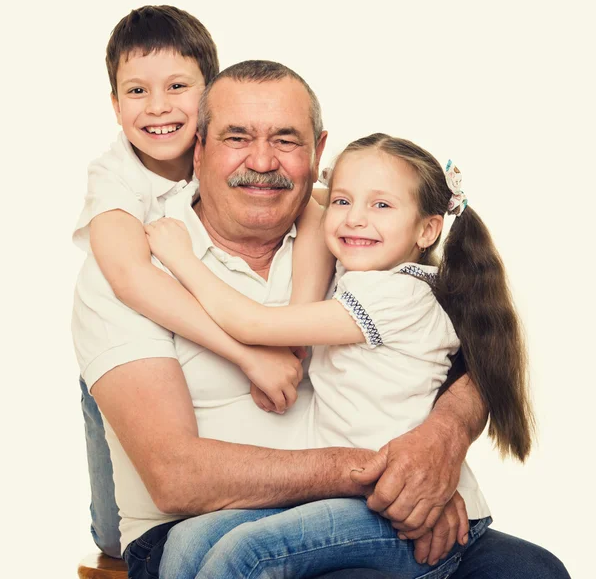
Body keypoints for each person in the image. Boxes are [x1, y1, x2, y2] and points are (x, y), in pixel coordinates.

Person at [74, 54, 570, 579]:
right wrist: (383, 476)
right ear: (198, 149)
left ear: (318, 154)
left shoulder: (353, 241)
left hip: (371, 507)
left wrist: (439, 444)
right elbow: (176, 477)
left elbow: (474, 348)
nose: (262, 162)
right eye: (236, 138)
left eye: (286, 141)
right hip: (204, 520)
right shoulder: (135, 262)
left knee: (532, 570)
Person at [142, 133, 531, 578]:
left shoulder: (395, 294)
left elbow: (252, 325)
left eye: (382, 206)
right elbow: (309, 201)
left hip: (407, 511)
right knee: (189, 541)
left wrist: (179, 257)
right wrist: (336, 192)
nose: (355, 220)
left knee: (246, 554)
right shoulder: (361, 271)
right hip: (352, 500)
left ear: (428, 229)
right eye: (344, 201)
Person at [74, 5, 333, 558]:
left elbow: (314, 209)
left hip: (313, 510)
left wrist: (294, 334)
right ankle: (110, 536)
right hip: (131, 339)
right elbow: (127, 276)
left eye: (177, 87)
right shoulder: (118, 183)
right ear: (114, 104)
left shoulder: (280, 183)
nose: (159, 107)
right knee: (114, 503)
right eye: (136, 92)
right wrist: (250, 353)